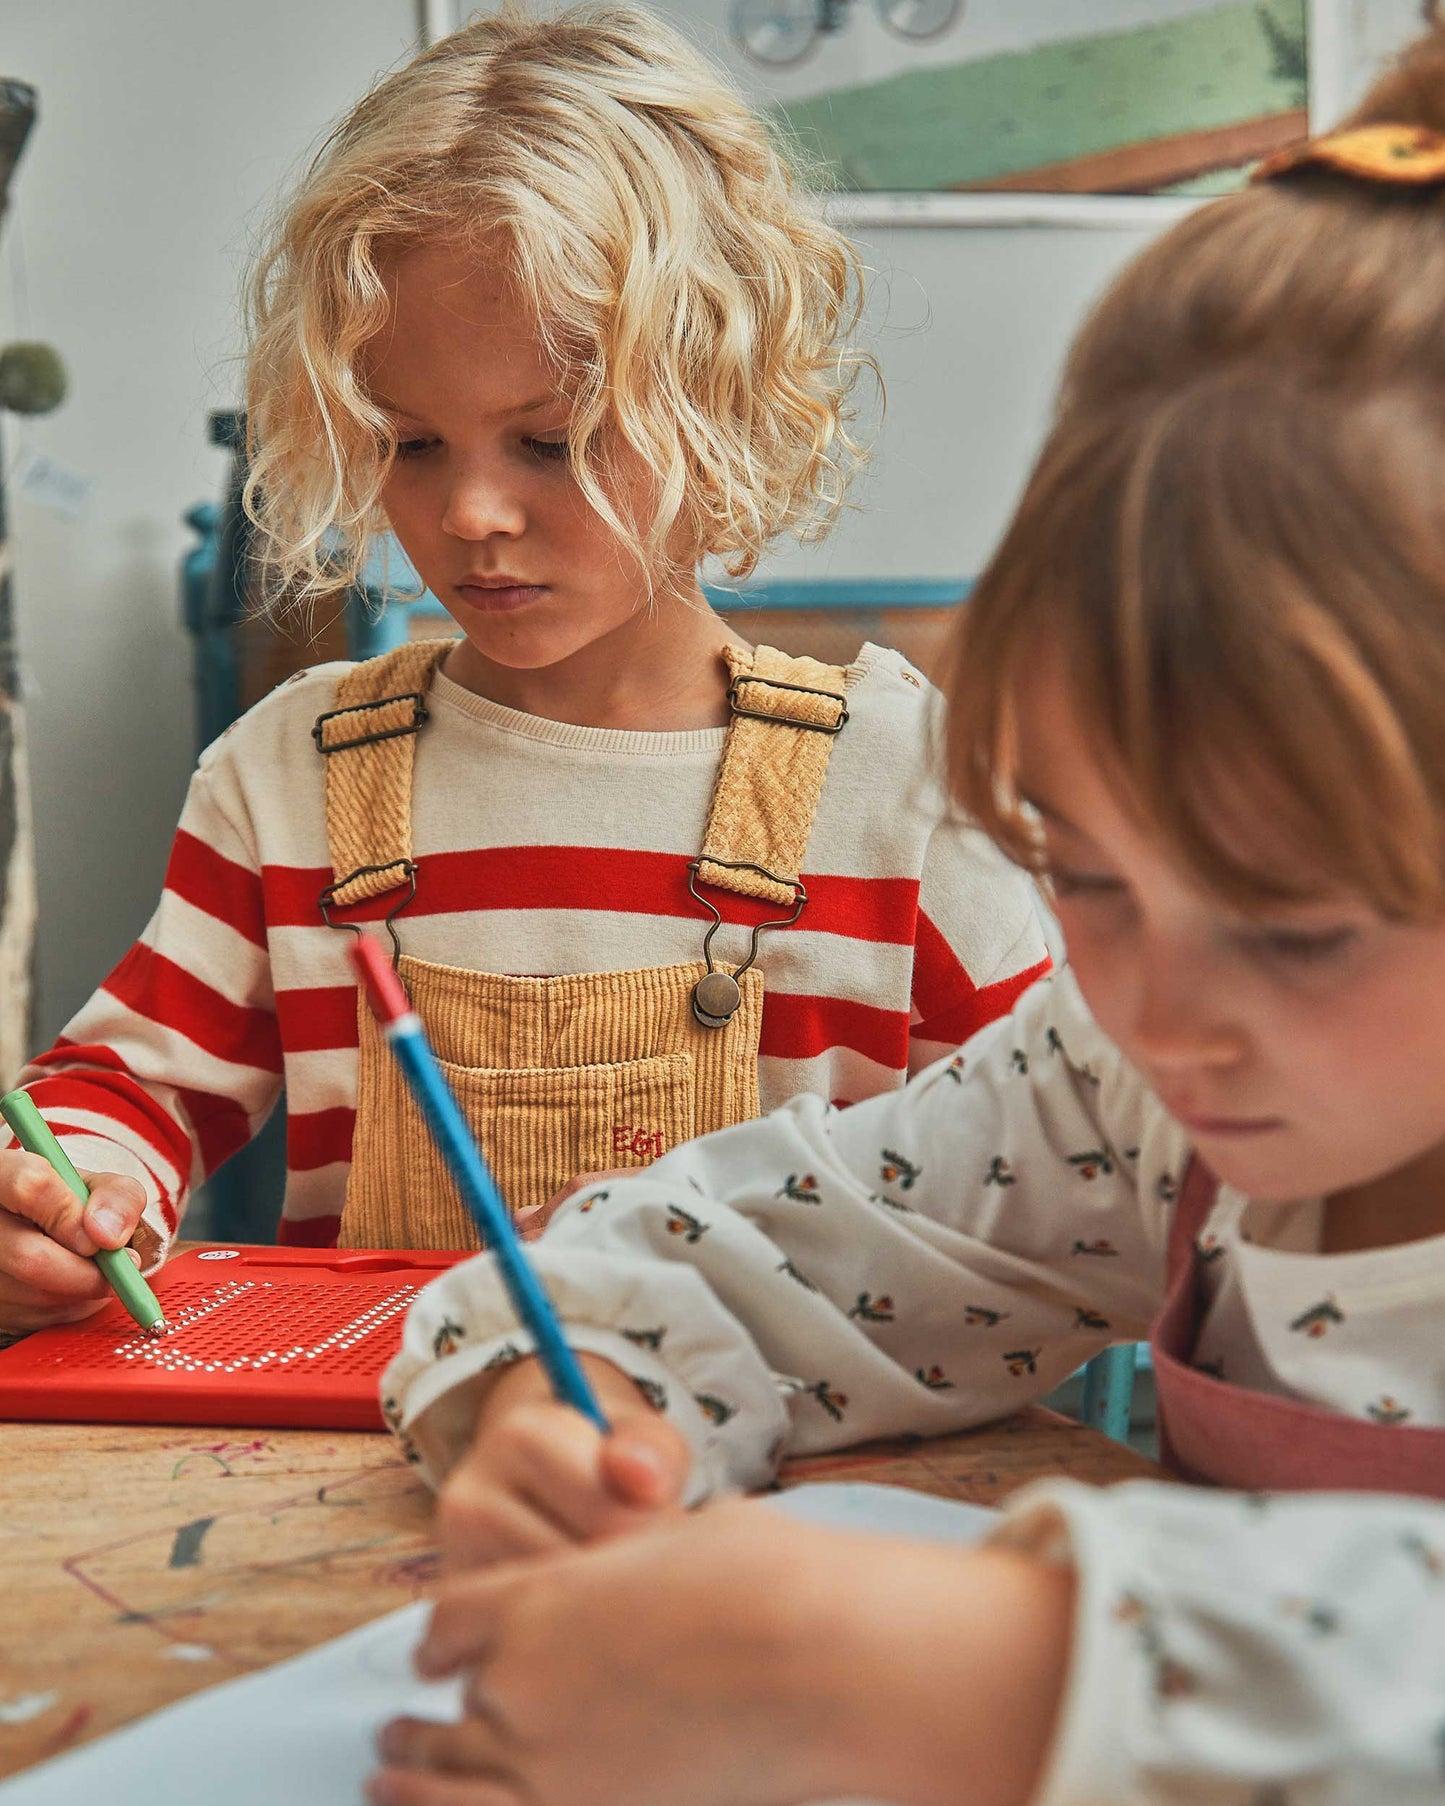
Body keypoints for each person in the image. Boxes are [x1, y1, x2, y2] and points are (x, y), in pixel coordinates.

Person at [369, 30, 1445, 1806]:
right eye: (1086, 870)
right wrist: (570, 1407)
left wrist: (1017, 1672)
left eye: (1295, 923)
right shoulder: (1125, 1101)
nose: (1161, 1005)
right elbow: (718, 1248)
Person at [0, 7, 1048, 1335]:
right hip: (353, 1492)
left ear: (717, 405)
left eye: (549, 440)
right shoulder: (286, 776)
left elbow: (1058, 1172)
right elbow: (129, 1087)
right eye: (411, 441)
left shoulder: (901, 788)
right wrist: (75, 1189)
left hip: (781, 1504)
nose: (472, 512)